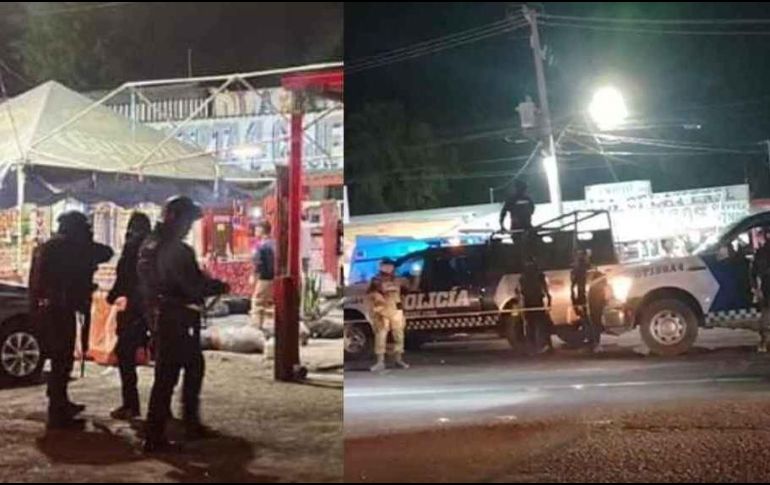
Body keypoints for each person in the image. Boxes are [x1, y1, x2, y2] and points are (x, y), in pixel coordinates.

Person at [138, 196, 229, 452]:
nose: (189, 227)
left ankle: (171, 427)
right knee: (177, 373)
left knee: (174, 372)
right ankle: (162, 433)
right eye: (188, 221)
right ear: (175, 218)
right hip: (178, 316)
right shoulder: (176, 250)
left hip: (160, 315)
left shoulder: (150, 244)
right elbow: (192, 286)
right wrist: (217, 286)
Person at [29, 211, 113, 429]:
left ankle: (60, 402)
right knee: (62, 360)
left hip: (48, 309)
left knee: (60, 359)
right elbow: (105, 252)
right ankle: (58, 411)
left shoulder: (47, 247)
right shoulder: (68, 247)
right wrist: (87, 239)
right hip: (59, 310)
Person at [106, 212, 152, 420]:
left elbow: (124, 277)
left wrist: (112, 295)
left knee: (125, 355)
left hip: (134, 309)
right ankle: (162, 408)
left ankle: (130, 404)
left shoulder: (132, 247)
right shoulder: (155, 246)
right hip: (154, 309)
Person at [367, 258, 411, 372]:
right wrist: (376, 301)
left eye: (390, 266)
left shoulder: (399, 279)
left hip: (396, 309)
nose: (388, 268)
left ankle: (398, 359)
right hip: (382, 310)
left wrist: (415, 277)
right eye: (385, 266)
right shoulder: (376, 280)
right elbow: (370, 294)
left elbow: (407, 291)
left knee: (399, 335)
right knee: (381, 335)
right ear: (381, 267)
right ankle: (380, 361)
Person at [519, 257, 553, 354]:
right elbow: (545, 289)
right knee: (539, 324)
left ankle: (534, 347)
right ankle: (542, 345)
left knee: (531, 325)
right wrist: (549, 300)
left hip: (529, 303)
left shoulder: (523, 277)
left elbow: (520, 292)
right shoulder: (539, 275)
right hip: (536, 302)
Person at [570, 249, 600, 350]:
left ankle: (593, 341)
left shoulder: (579, 270)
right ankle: (593, 341)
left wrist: (574, 300)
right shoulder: (591, 268)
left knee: (588, 320)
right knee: (590, 320)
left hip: (585, 297)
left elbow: (573, 286)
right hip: (590, 297)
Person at [250, 220, 275, 330]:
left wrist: (253, 276)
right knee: (270, 303)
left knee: (257, 302)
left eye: (256, 229)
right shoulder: (276, 244)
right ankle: (271, 326)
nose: (255, 231)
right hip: (276, 278)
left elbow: (257, 263)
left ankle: (256, 327)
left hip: (264, 278)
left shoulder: (261, 246)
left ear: (261, 229)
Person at [751, 227, 770, 353]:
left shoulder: (761, 252)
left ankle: (764, 341)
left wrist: (756, 288)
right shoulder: (762, 252)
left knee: (766, 314)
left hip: (766, 285)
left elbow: (754, 272)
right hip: (766, 285)